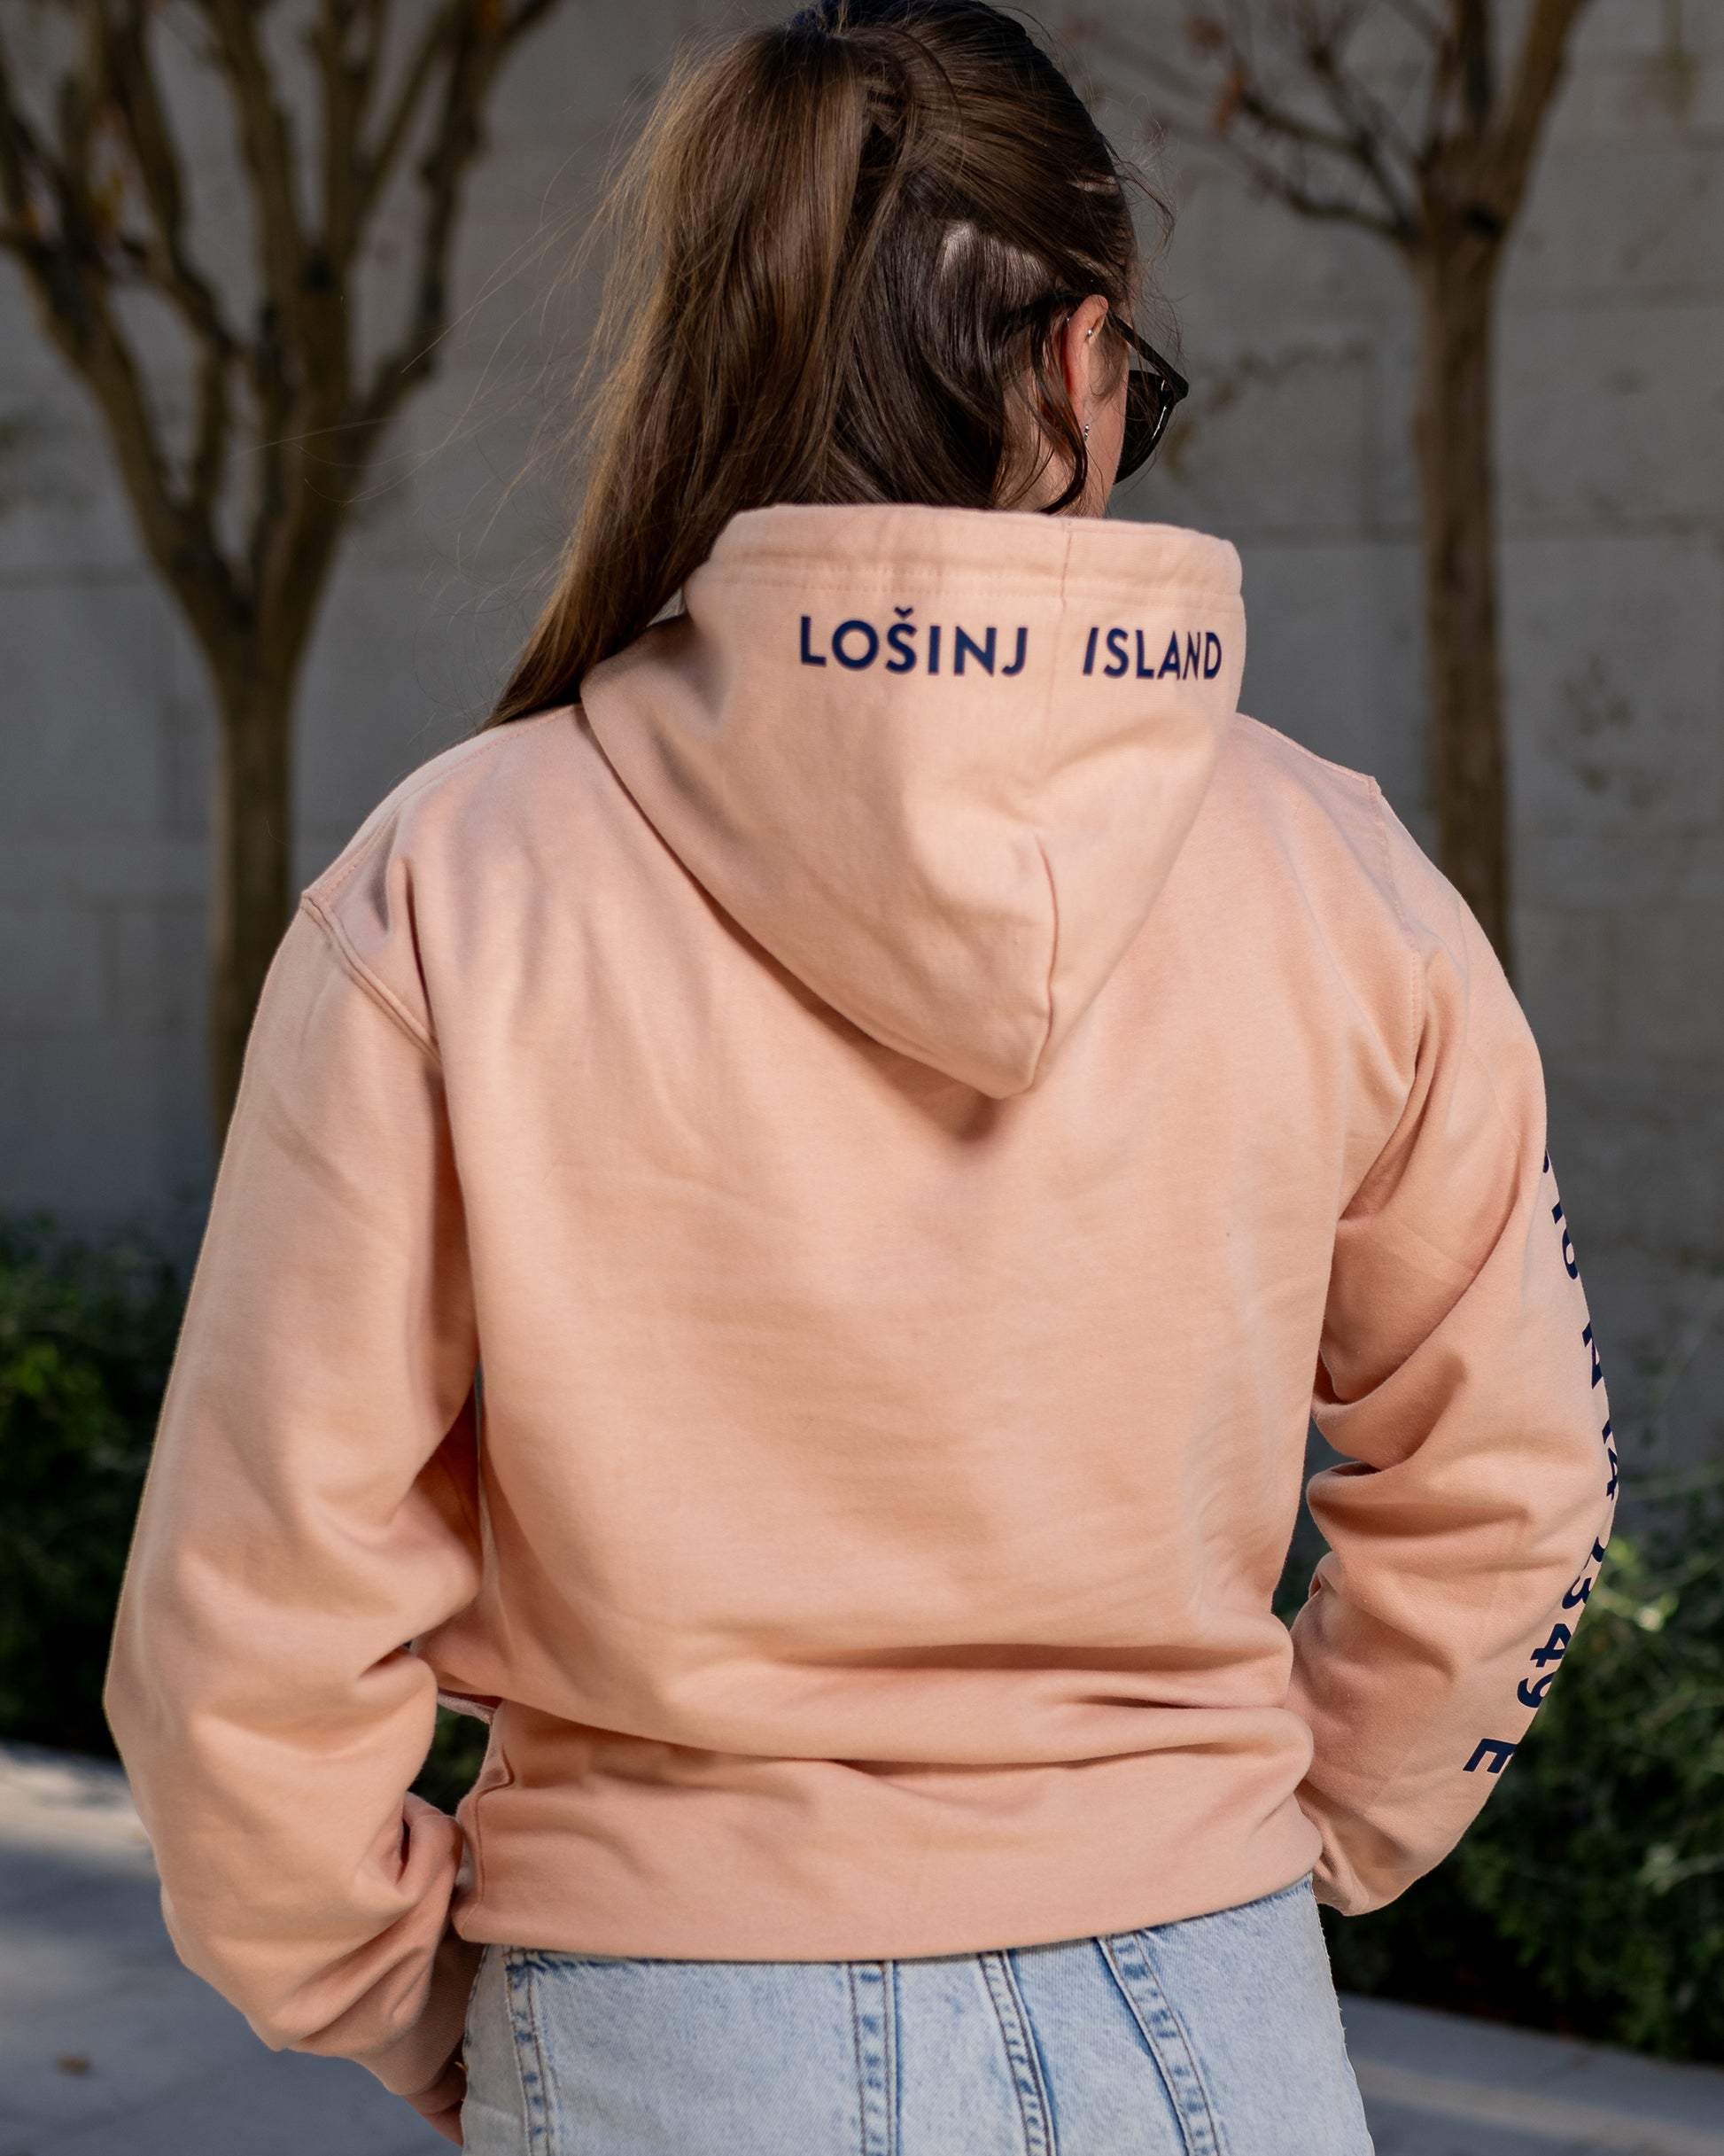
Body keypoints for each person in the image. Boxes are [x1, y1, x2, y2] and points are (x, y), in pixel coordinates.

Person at [105, 4, 1616, 2151]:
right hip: (1216, 2015)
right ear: (1088, 364)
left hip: (663, 2025)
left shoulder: (452, 885)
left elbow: (242, 1638)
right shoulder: (1340, 882)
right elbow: (1518, 1496)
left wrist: (400, 1992)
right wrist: (1273, 1837)